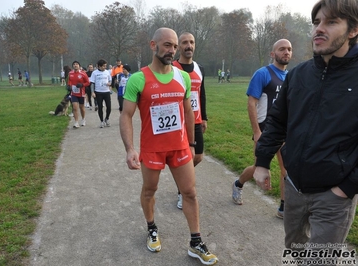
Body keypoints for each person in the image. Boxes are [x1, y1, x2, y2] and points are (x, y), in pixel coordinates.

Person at [253, 0, 358, 259]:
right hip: (294, 188)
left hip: (334, 196)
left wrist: (346, 187)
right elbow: (278, 121)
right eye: (316, 22)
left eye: (331, 22)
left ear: (353, 30)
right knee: (296, 250)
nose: (318, 29)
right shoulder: (299, 75)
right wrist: (262, 161)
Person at [119, 27, 218, 265]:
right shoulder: (138, 79)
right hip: (153, 148)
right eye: (167, 45)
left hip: (180, 147)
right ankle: (151, 228)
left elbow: (188, 112)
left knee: (190, 192)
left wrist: (193, 143)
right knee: (149, 190)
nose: (172, 50)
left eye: (174, 46)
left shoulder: (182, 76)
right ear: (153, 46)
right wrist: (130, 149)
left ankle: (196, 242)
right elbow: (126, 115)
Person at [232, 39, 292, 219]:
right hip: (266, 130)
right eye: (282, 49)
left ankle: (283, 208)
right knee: (258, 166)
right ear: (273, 54)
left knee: (286, 170)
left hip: (284, 131)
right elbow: (252, 103)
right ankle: (238, 183)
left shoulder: (290, 76)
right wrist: (257, 132)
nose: (286, 52)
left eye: (289, 49)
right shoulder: (263, 74)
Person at [172, 32, 208, 210]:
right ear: (178, 46)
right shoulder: (172, 67)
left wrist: (205, 117)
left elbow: (201, 94)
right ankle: (183, 191)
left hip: (196, 119)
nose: (189, 45)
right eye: (185, 42)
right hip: (179, 121)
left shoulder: (199, 68)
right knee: (184, 157)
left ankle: (182, 183)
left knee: (198, 157)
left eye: (191, 42)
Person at [67, 60, 89, 128]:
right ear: (72, 66)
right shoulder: (70, 73)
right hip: (74, 93)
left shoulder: (83, 73)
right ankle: (76, 122)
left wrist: (82, 84)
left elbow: (88, 82)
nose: (75, 65)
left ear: (79, 66)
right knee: (75, 107)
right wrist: (69, 86)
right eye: (74, 64)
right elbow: (69, 81)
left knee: (81, 107)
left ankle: (83, 119)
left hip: (81, 93)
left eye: (77, 64)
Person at [91, 59, 112, 128]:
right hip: (98, 92)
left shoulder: (107, 72)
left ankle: (107, 118)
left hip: (106, 92)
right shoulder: (94, 73)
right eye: (103, 66)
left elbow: (110, 80)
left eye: (105, 66)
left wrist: (110, 84)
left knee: (109, 107)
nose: (105, 67)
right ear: (99, 66)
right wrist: (92, 92)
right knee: (100, 107)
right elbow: (92, 83)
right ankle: (101, 121)